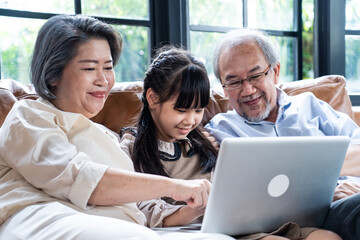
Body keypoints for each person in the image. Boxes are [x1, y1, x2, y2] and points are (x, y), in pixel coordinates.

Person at [0, 15, 235, 240]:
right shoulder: (28, 116)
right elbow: (83, 180)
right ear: (53, 74)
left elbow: (140, 205)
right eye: (90, 68)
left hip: (110, 223)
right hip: (42, 215)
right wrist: (178, 187)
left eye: (108, 67)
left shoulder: (105, 137)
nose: (103, 80)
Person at [119, 46, 341, 240]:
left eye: (198, 110)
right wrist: (197, 208)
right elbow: (145, 210)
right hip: (199, 228)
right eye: (181, 109)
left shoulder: (205, 141)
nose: (191, 120)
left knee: (328, 235)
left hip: (241, 223)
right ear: (153, 99)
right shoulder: (131, 148)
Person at [204, 28, 360, 240]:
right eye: (234, 82)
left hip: (338, 207)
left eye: (255, 75)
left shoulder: (311, 106)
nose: (248, 89)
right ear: (223, 87)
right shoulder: (220, 131)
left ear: (275, 72)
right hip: (281, 225)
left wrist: (348, 181)